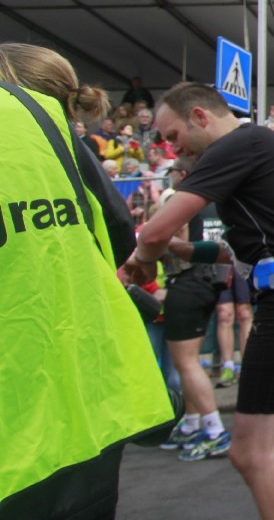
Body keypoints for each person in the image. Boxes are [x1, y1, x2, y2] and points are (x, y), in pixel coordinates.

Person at [124, 82, 274, 520]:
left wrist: (139, 262)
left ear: (200, 117)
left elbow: (153, 231)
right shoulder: (262, 143)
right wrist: (187, 250)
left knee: (251, 450)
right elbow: (247, 248)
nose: (173, 149)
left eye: (173, 136)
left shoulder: (235, 145)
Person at [0, 43, 172, 519]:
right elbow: (118, 232)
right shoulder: (58, 138)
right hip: (90, 413)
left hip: (17, 432)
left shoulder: (31, 127)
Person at [152, 157, 232, 462]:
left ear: (183, 174)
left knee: (186, 363)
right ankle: (192, 422)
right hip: (209, 280)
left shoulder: (182, 200)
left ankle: (214, 430)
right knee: (190, 361)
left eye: (172, 172)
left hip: (188, 279)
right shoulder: (213, 202)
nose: (169, 176)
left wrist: (151, 251)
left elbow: (176, 236)